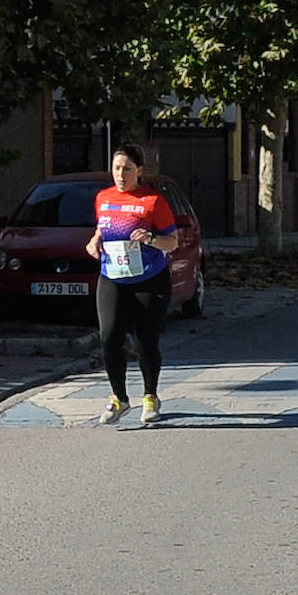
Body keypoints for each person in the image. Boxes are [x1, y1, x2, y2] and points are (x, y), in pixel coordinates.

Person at [85, 143, 178, 425]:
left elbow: (172, 241)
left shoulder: (153, 202)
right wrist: (94, 240)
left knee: (145, 340)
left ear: (139, 170)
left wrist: (149, 239)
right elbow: (104, 225)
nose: (120, 174)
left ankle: (150, 397)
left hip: (149, 279)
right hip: (112, 277)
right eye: (116, 168)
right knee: (109, 336)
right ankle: (119, 398)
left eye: (127, 168)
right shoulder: (103, 198)